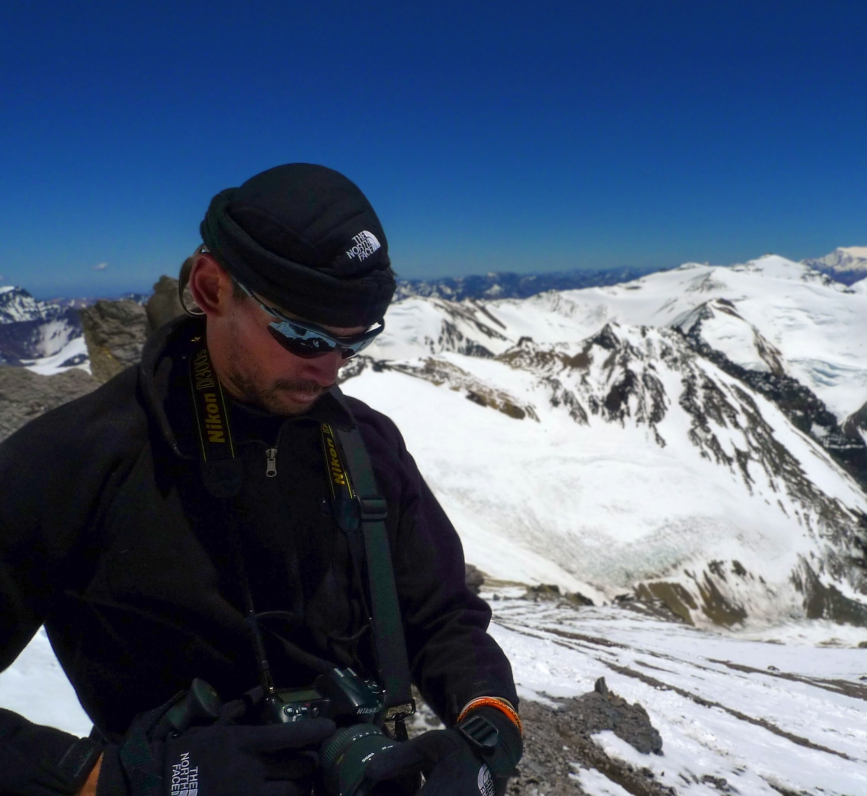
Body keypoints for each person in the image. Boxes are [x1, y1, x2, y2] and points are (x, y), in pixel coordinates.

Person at [0, 164, 522, 796]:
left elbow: (441, 617)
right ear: (214, 288)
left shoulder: (366, 446)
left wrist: (486, 729)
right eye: (303, 336)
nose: (330, 372)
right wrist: (111, 779)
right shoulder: (77, 462)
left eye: (352, 345)